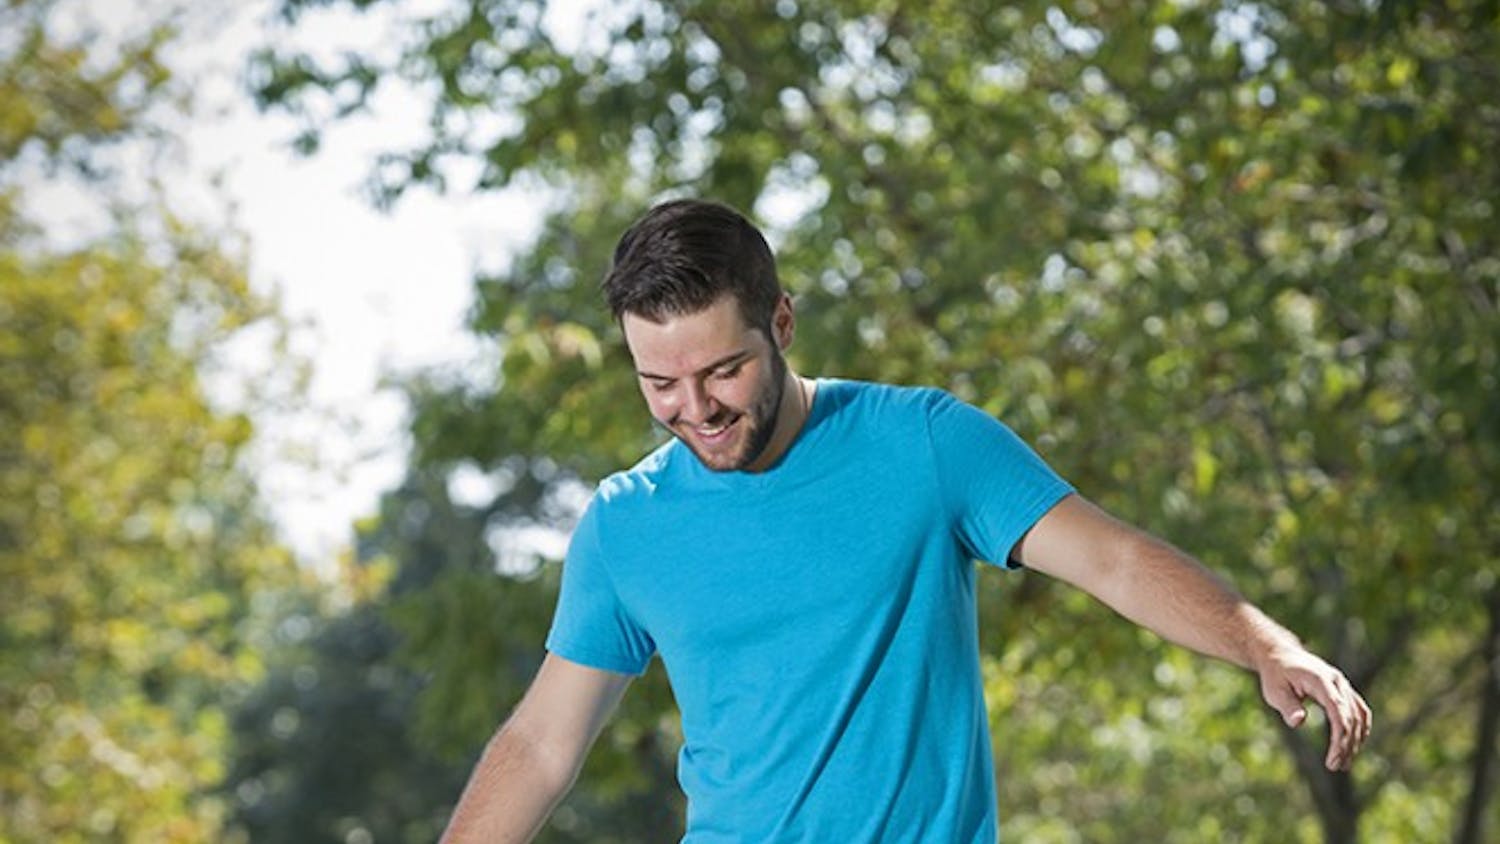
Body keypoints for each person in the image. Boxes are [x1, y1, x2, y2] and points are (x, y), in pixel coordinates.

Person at [438, 199, 1372, 843]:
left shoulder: (924, 445)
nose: (696, 409)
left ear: (782, 324)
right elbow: (542, 744)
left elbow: (1114, 561)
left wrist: (1262, 645)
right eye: (660, 384)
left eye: (723, 371)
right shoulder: (627, 524)